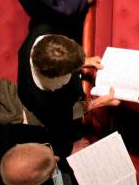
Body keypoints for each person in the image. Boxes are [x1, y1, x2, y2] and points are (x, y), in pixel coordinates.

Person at [17, 25, 118, 156]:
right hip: (54, 117)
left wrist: (80, 60)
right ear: (56, 78)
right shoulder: (41, 101)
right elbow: (64, 116)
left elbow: (60, 53)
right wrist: (96, 103)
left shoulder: (43, 28)